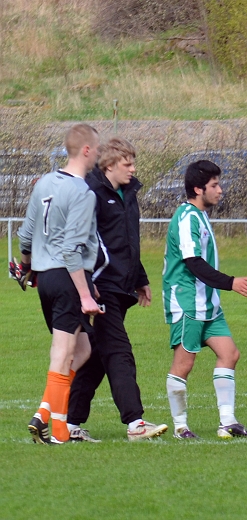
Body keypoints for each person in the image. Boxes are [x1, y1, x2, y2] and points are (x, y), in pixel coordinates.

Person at [66, 138, 168, 442]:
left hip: (121, 287)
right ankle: (135, 423)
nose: (133, 169)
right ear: (109, 164)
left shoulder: (129, 193)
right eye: (128, 164)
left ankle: (69, 424)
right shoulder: (91, 192)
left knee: (97, 357)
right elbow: (83, 241)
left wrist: (140, 277)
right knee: (119, 351)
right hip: (101, 287)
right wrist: (88, 283)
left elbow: (128, 240)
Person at [162, 160, 247, 439]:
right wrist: (231, 283)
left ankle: (227, 422)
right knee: (184, 364)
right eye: (214, 185)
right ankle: (181, 426)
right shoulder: (186, 218)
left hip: (209, 304)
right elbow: (193, 262)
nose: (220, 190)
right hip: (187, 302)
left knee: (229, 354)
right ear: (198, 189)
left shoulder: (201, 215)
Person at [18, 124, 102, 445]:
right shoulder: (82, 191)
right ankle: (51, 423)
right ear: (86, 150)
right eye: (96, 148)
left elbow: (25, 235)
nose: (97, 153)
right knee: (63, 352)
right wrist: (85, 294)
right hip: (67, 277)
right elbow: (72, 249)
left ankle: (50, 420)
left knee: (82, 349)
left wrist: (26, 268)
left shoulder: (44, 183)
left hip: (45, 277)